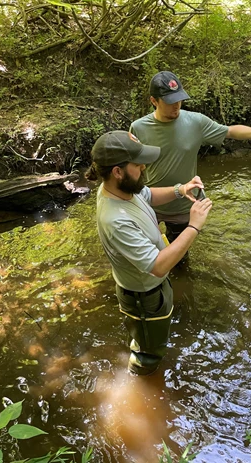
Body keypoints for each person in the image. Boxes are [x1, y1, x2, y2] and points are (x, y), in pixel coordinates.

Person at [86, 130, 211, 375]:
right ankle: (141, 388)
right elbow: (158, 266)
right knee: (147, 354)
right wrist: (194, 225)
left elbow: (147, 195)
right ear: (117, 171)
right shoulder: (115, 219)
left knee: (152, 338)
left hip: (152, 286)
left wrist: (180, 189)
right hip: (144, 297)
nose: (144, 167)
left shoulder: (120, 189)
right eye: (137, 163)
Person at [129, 71, 251, 244]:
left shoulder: (195, 122)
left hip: (183, 205)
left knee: (179, 260)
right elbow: (131, 167)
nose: (176, 105)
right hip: (150, 204)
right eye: (170, 101)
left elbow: (229, 131)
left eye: (179, 99)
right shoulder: (138, 128)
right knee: (149, 258)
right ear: (153, 101)